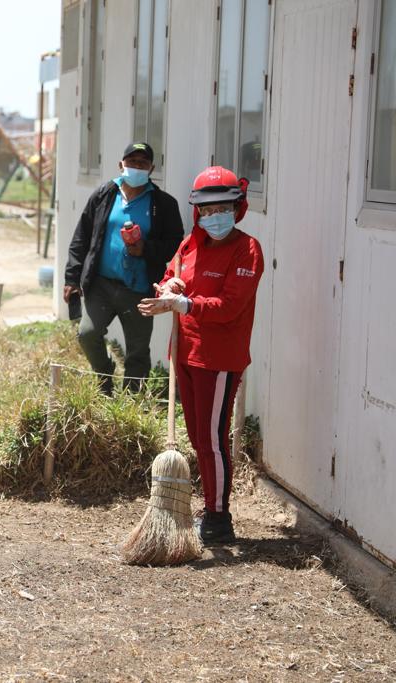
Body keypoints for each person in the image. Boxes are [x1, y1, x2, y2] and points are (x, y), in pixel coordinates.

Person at [138, 166, 264, 544]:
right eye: (207, 210)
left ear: (237, 207)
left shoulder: (247, 249)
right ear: (197, 212)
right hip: (185, 353)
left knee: (212, 439)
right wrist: (168, 286)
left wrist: (185, 303)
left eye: (222, 208)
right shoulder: (191, 243)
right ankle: (210, 505)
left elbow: (228, 306)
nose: (214, 217)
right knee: (197, 436)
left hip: (218, 358)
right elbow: (170, 278)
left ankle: (218, 518)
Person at [63, 142, 184, 394]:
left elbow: (175, 244)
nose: (137, 167)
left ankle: (131, 402)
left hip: (140, 290)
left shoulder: (163, 204)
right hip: (102, 285)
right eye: (132, 162)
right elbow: (82, 237)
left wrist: (145, 249)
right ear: (121, 165)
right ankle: (104, 379)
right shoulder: (104, 195)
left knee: (138, 351)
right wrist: (72, 277)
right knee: (87, 334)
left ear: (151, 168)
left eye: (143, 163)